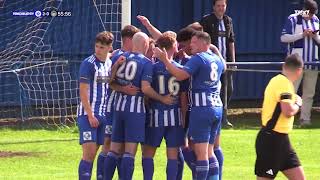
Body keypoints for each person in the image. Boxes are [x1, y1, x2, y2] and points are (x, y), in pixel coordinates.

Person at [154, 31, 225, 180]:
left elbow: (180, 75)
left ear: (203, 43)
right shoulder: (217, 60)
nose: (190, 45)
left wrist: (165, 60)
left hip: (202, 108)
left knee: (201, 154)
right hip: (217, 107)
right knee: (210, 151)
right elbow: (223, 68)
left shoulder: (198, 58)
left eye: (193, 42)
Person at [104, 32, 174, 180]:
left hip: (118, 108)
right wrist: (162, 98)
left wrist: (122, 88)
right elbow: (146, 88)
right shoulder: (146, 63)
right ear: (145, 44)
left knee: (114, 149)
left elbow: (110, 82)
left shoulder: (119, 57)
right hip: (134, 111)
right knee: (130, 151)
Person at [96, 25, 141, 179]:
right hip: (111, 105)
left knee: (121, 147)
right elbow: (107, 81)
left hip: (125, 109)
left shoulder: (133, 55)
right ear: (128, 40)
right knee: (108, 143)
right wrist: (123, 89)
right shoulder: (115, 57)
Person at [142, 34, 187, 180]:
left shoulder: (153, 68)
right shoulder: (180, 69)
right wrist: (184, 118)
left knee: (148, 154)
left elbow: (146, 92)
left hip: (156, 116)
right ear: (173, 46)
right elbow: (183, 97)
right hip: (175, 117)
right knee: (172, 155)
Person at [255, 53, 305, 180]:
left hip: (283, 140)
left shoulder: (277, 80)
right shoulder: (284, 84)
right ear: (299, 71)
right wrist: (298, 103)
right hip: (272, 140)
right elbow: (287, 111)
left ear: (284, 66)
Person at [77, 31, 114, 180]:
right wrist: (90, 114)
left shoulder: (109, 63)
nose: (98, 50)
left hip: (102, 115)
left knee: (95, 153)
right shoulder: (88, 64)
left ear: (109, 47)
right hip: (88, 115)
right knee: (89, 153)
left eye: (102, 47)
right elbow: (83, 91)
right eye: (97, 46)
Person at [280, 0, 319, 126]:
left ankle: (305, 119)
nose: (311, 16)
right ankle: (286, 119)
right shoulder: (293, 19)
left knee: (309, 93)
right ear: (304, 9)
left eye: (313, 13)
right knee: (291, 91)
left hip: (312, 62)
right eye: (309, 13)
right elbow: (284, 38)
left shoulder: (316, 20)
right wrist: (302, 35)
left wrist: (314, 36)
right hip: (295, 64)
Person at [200, 0, 236, 128]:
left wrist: (233, 60)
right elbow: (203, 41)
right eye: (218, 6)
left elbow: (231, 41)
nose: (221, 8)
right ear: (214, 7)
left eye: (223, 6)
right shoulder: (206, 20)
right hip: (213, 63)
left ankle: (224, 116)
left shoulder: (228, 20)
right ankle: (217, 117)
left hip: (226, 61)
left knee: (229, 89)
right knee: (216, 89)